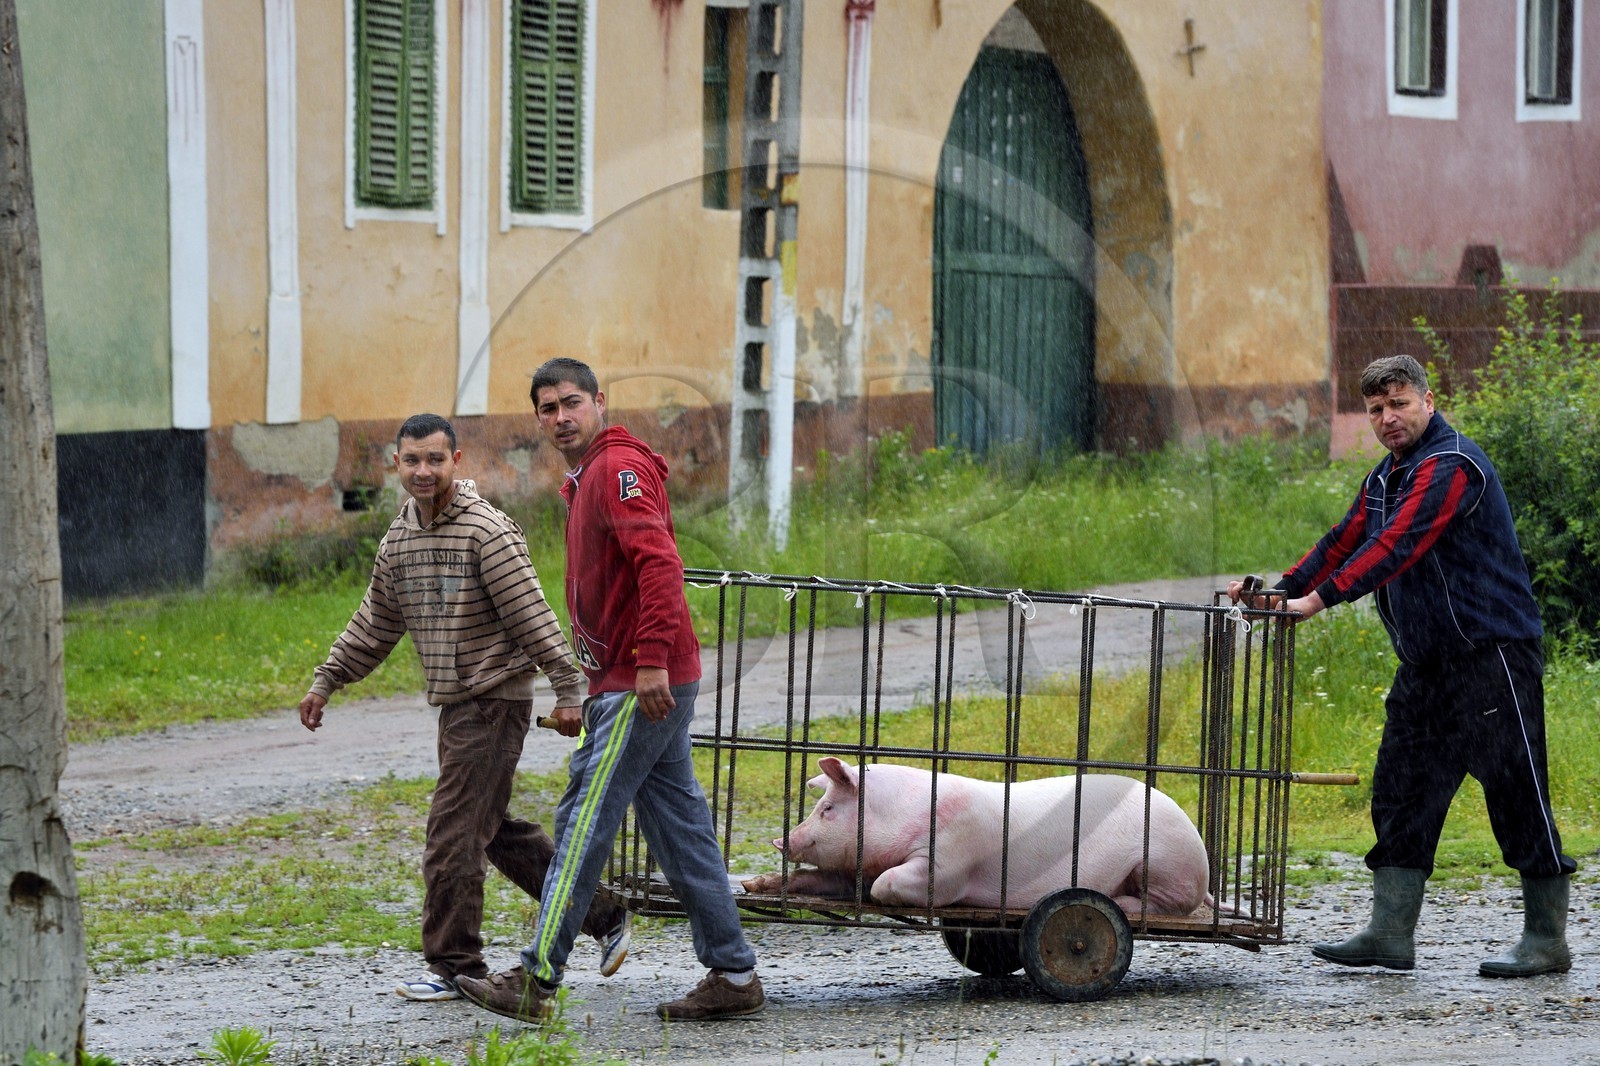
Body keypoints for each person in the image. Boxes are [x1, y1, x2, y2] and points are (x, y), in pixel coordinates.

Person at [1229, 354, 1574, 978]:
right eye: (1376, 409)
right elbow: (1343, 541)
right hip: (1425, 666)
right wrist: (1280, 593)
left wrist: (1318, 601)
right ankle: (1390, 934)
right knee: (1401, 791)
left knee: (1516, 793)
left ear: (1428, 402)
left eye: (1399, 403)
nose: (1388, 417)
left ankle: (1546, 941)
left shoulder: (1452, 466)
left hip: (1492, 656)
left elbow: (1397, 544)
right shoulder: (1384, 477)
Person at [457, 359, 765, 1022]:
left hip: (640, 683)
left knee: (581, 823)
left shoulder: (616, 470)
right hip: (629, 681)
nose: (561, 417)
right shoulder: (590, 475)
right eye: (548, 408)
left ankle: (536, 980)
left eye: (572, 402)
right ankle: (735, 976)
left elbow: (660, 564)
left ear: (599, 402)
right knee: (681, 831)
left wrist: (649, 661)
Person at [299, 413, 631, 1001]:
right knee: (492, 830)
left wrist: (567, 689)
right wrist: (328, 680)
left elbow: (532, 616)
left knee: (452, 834)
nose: (423, 471)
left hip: (493, 701)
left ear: (456, 461)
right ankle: (602, 914)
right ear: (396, 465)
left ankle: (455, 965)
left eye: (435, 459)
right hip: (457, 706)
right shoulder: (400, 538)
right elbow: (375, 622)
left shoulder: (486, 532)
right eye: (412, 460)